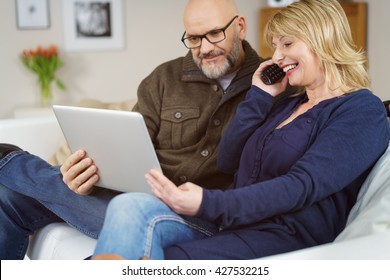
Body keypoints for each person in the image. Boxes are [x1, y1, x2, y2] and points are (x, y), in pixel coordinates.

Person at [91, 0, 390, 260]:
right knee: (126, 209)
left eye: (287, 44)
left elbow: (302, 186)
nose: (276, 58)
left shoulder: (361, 110)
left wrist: (207, 202)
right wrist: (259, 96)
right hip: (234, 226)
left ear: (323, 40)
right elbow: (228, 160)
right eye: (274, 47)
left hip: (283, 238)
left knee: (145, 262)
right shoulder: (288, 103)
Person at [0, 0, 264, 260]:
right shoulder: (164, 78)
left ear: (240, 27)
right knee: (8, 196)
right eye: (194, 38)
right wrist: (85, 177)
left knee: (130, 208)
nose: (205, 48)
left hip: (199, 218)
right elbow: (127, 150)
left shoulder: (269, 85)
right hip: (140, 197)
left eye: (215, 34)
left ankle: (10, 163)